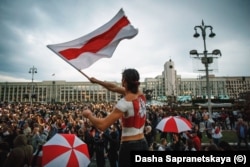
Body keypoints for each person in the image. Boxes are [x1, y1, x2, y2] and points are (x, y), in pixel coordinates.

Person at [82, 68, 148, 167]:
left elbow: (102, 125)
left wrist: (89, 115)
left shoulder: (125, 102)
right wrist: (97, 81)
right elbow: (113, 87)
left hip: (129, 146)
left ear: (124, 81)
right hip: (143, 143)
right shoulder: (140, 94)